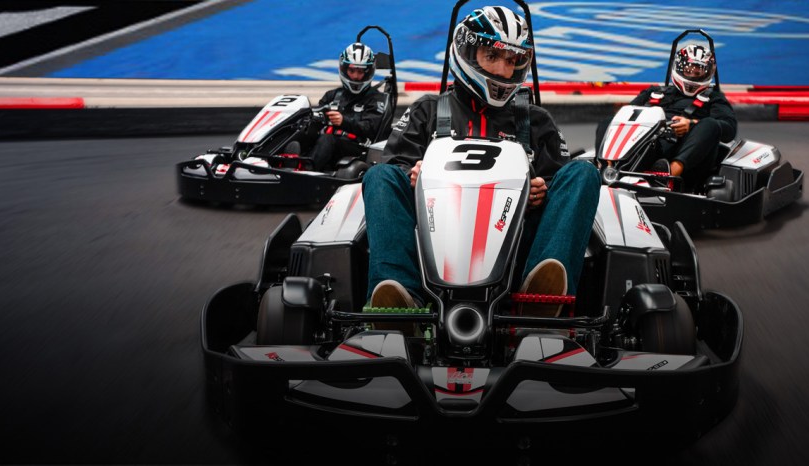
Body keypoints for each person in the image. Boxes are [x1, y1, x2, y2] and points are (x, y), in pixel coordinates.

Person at [362, 5, 600, 318]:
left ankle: (540, 297)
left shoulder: (536, 120)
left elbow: (561, 186)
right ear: (466, 53)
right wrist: (412, 174)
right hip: (432, 242)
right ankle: (401, 298)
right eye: (493, 56)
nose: (503, 71)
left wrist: (543, 190)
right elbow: (395, 166)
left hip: (515, 250)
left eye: (512, 60)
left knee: (584, 173)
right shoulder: (428, 111)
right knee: (379, 176)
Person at [597, 43, 737, 188]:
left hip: (682, 151)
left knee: (710, 124)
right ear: (678, 68)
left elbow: (729, 130)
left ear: (708, 73)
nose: (693, 76)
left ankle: (669, 174)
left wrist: (691, 124)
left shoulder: (714, 98)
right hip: (646, 144)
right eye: (689, 71)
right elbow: (626, 113)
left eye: (698, 73)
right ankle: (605, 166)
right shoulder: (654, 92)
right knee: (608, 122)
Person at [293, 42, 388, 171]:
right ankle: (284, 160)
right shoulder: (332, 96)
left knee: (327, 139)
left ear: (368, 72)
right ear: (344, 69)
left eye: (360, 71)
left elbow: (370, 128)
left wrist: (344, 121)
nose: (355, 76)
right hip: (326, 143)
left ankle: (306, 171)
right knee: (300, 131)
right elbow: (316, 117)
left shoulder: (376, 100)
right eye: (352, 70)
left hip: (357, 148)